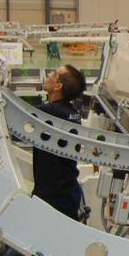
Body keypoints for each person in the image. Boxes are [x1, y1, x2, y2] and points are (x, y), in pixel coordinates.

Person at [33, 65, 87, 220]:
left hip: (53, 198)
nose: (49, 74)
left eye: (54, 73)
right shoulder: (71, 113)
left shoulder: (50, 112)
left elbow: (13, 111)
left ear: (58, 86)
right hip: (66, 194)